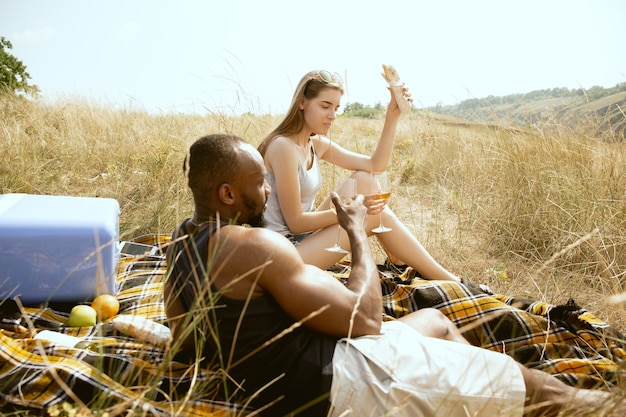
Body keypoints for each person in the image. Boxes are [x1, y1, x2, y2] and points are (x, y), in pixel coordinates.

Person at [164, 133, 625, 417]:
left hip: (297, 373)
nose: (267, 190)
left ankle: (467, 388)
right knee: (535, 387)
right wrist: (356, 233)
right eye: (258, 182)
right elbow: (366, 320)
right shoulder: (251, 244)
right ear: (227, 193)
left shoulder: (180, 245)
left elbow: (184, 343)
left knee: (438, 323)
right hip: (341, 382)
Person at [258, 69, 460, 281]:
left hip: (303, 240)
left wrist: (392, 115)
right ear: (302, 103)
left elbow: (375, 165)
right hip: (284, 253)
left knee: (365, 179)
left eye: (336, 108)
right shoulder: (283, 147)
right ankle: (448, 280)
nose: (332, 116)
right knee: (373, 216)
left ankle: (400, 262)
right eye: (325, 106)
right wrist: (350, 211)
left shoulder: (314, 144)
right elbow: (296, 223)